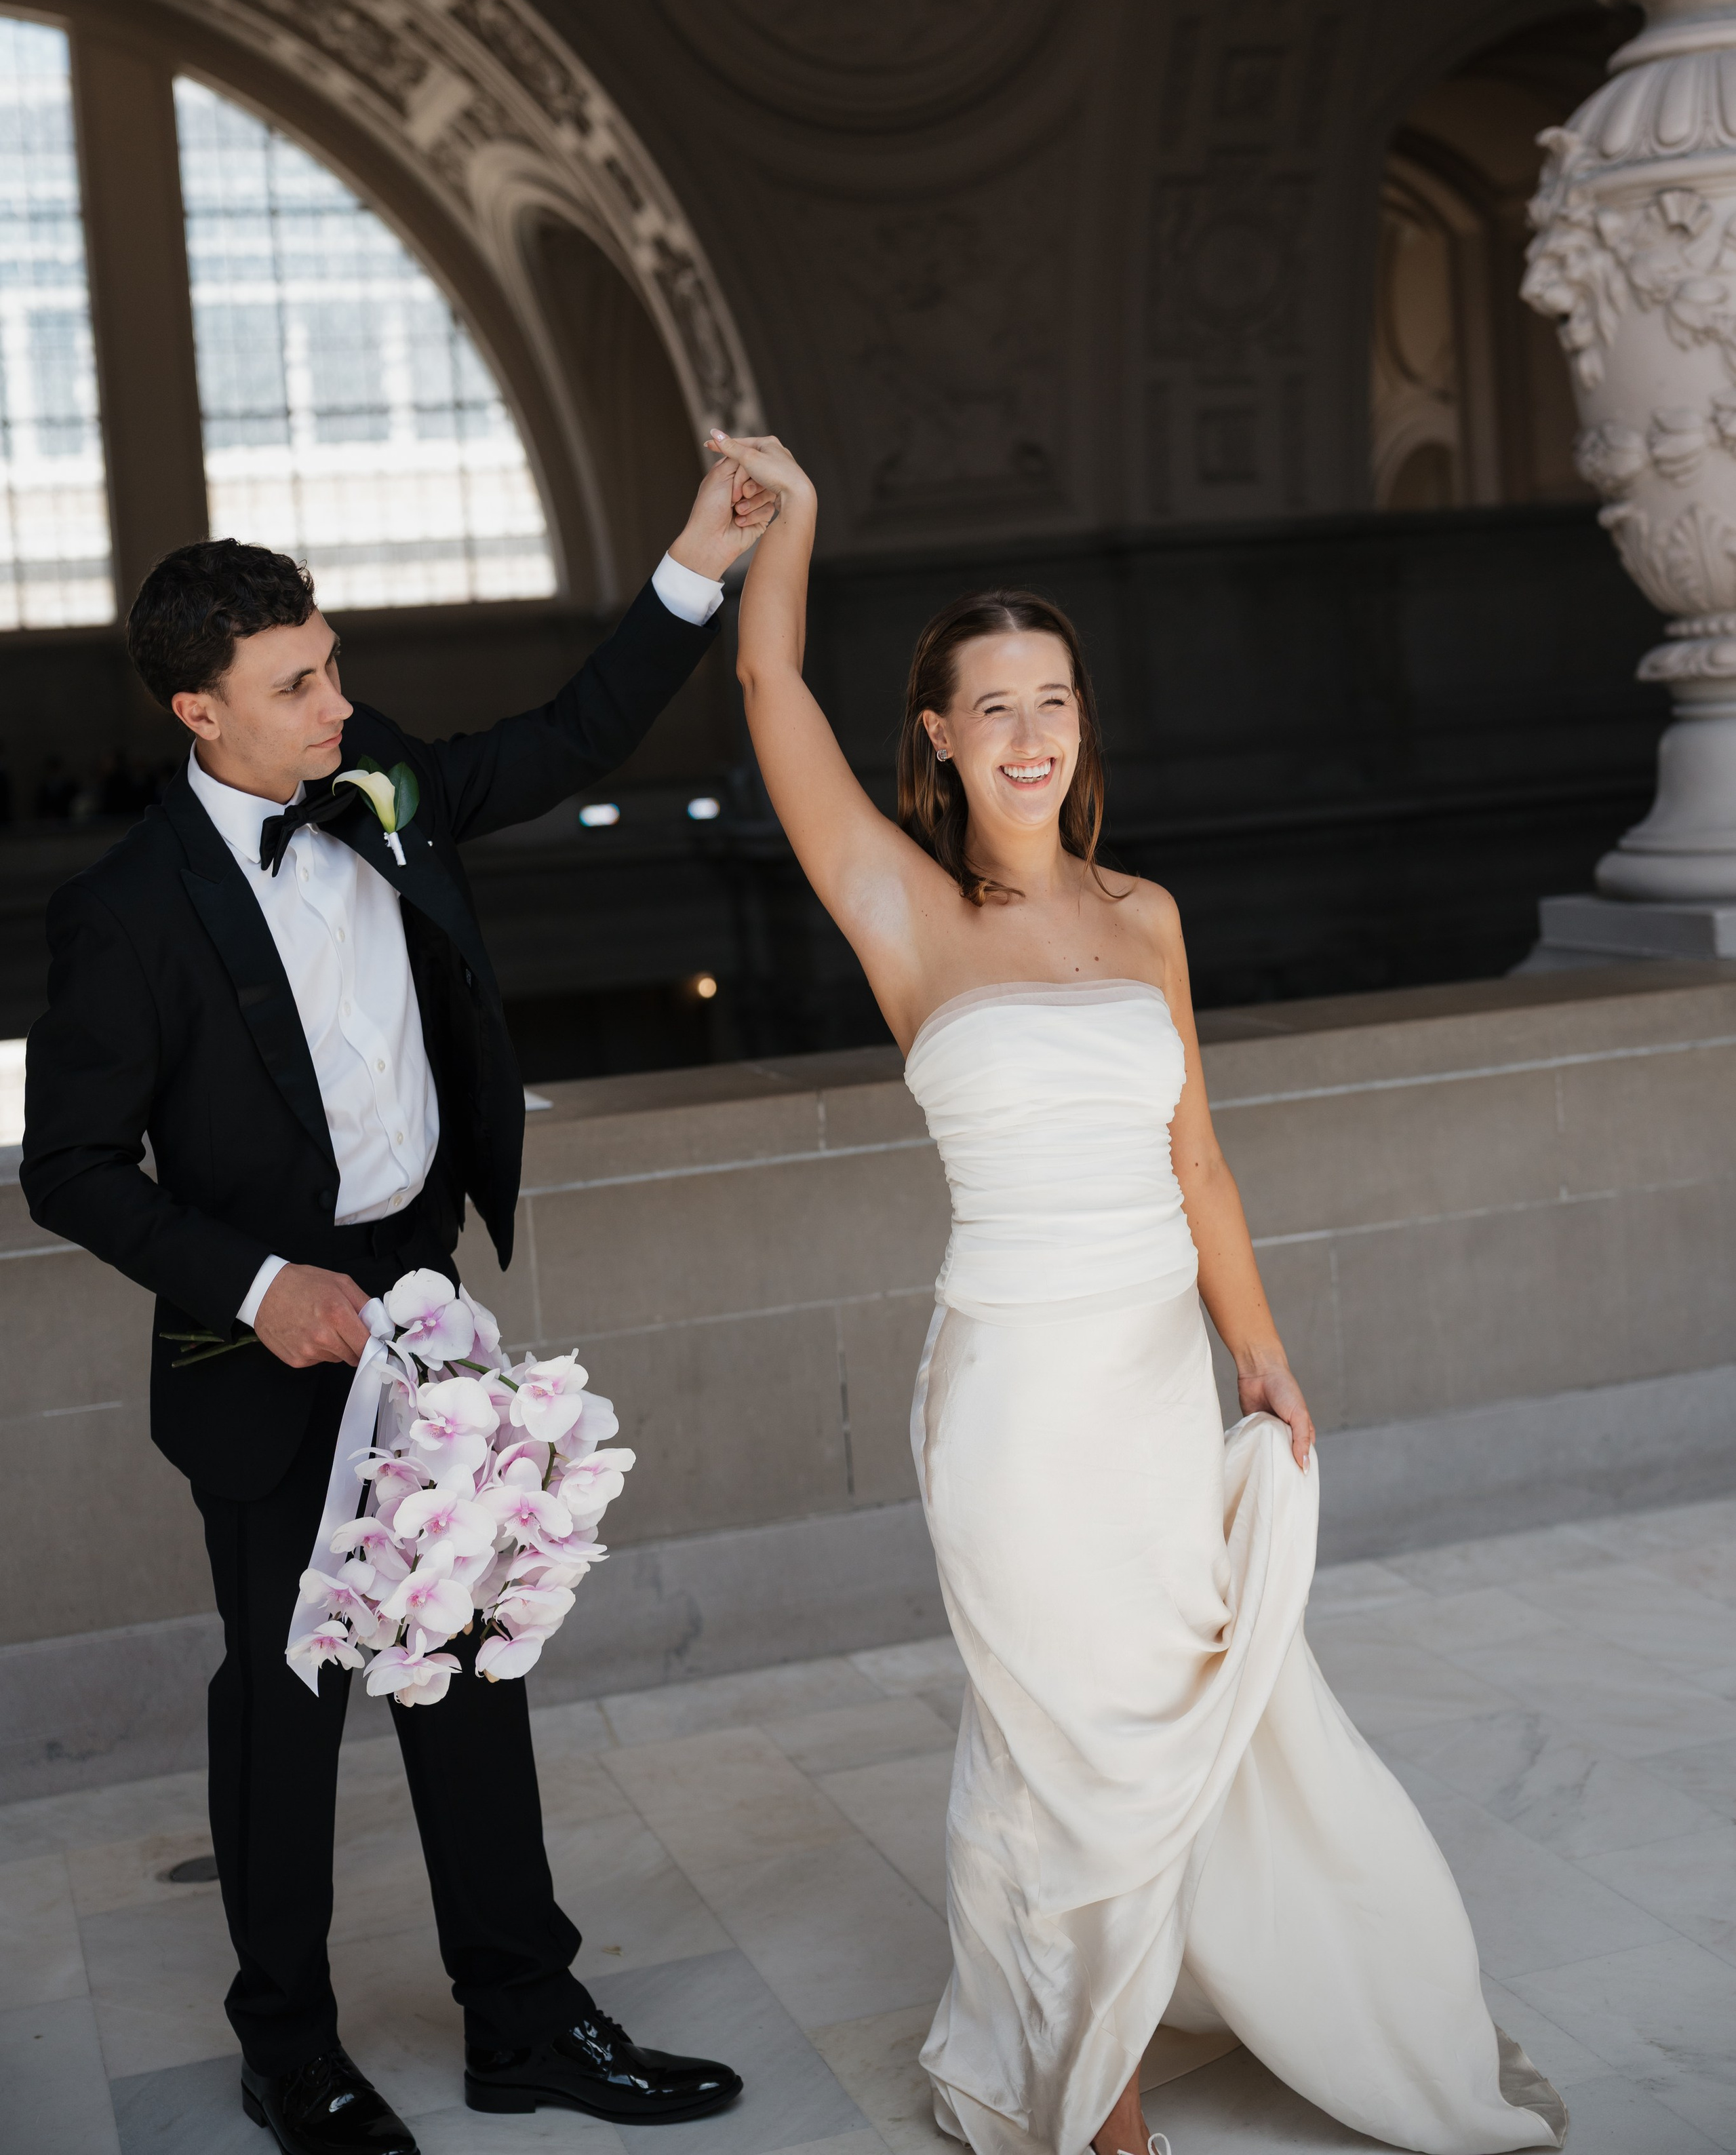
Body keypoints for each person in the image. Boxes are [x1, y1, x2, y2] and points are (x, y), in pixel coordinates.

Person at [711, 425, 1569, 2155]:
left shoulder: (1145, 916)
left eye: (1054, 700)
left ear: (1081, 724)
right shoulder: (899, 905)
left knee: (1183, 1701)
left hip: (1154, 1378)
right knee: (1054, 1730)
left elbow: (1199, 1166)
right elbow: (766, 682)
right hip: (1012, 1393)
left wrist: (1260, 1356)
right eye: (992, 707)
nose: (1028, 734)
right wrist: (786, 520)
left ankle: (1212, 1984)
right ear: (937, 737)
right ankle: (1081, 2085)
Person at [21, 457, 773, 2155]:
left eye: (333, 663)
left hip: (425, 1319)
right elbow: (66, 1166)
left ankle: (523, 2018)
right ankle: (289, 2052)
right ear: (198, 711)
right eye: (296, 684)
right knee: (286, 1709)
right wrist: (256, 1282)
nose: (337, 704)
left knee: (469, 1666)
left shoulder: (381, 782)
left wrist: (696, 560)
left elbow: (568, 739)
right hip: (262, 1347)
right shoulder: (124, 911)